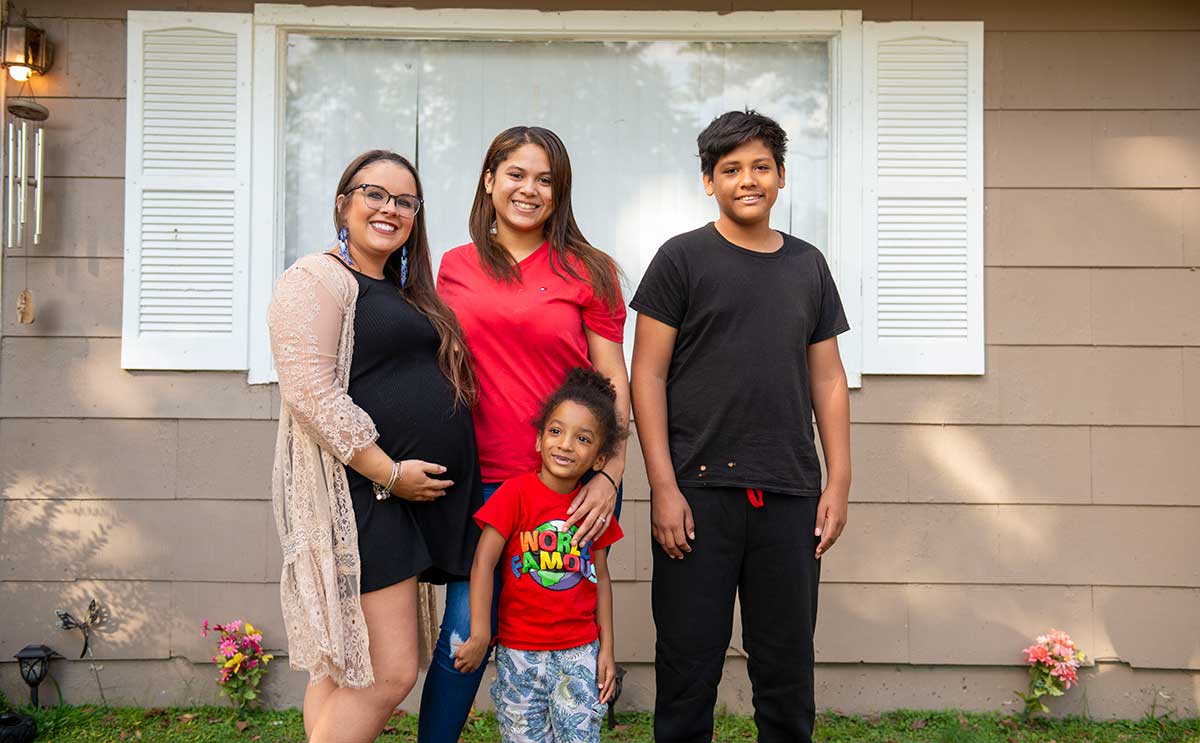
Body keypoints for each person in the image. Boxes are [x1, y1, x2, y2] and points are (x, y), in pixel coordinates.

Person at [630, 110, 852, 743]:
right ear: (709, 181)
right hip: (697, 494)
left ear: (781, 176)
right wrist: (664, 487)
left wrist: (838, 481)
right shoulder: (680, 260)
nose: (747, 180)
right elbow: (646, 376)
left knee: (786, 669)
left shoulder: (808, 266)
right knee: (687, 664)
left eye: (761, 167)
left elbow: (828, 379)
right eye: (730, 169)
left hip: (789, 493)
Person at [422, 126, 630, 741]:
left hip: (568, 479)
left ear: (559, 193)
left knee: (564, 620)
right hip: (480, 477)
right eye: (515, 174)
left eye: (545, 179)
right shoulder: (453, 267)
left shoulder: (588, 270)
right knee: (466, 628)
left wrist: (609, 476)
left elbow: (612, 382)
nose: (529, 189)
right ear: (489, 180)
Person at [268, 150, 482, 743]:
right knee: (390, 671)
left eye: (404, 201)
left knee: (345, 669)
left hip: (398, 499)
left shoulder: (400, 288)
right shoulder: (316, 277)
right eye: (375, 194)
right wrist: (388, 471)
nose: (390, 209)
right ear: (344, 203)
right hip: (363, 493)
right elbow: (309, 393)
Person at [454, 368, 626, 743]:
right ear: (538, 440)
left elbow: (602, 579)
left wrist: (607, 650)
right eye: (556, 431)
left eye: (583, 439)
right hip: (519, 652)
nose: (565, 445)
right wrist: (482, 632)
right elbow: (484, 562)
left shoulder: (592, 509)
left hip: (579, 652)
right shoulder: (514, 495)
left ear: (599, 459)